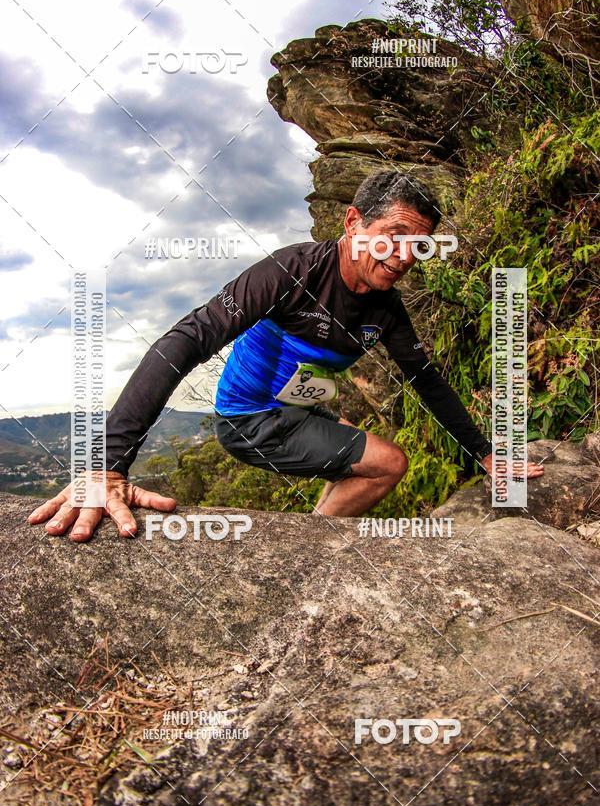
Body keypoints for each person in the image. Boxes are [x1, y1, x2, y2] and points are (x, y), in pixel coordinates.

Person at [28, 171, 543, 540]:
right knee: (390, 464)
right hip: (249, 419)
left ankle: (310, 538)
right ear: (353, 222)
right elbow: (184, 342)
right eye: (394, 237)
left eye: (421, 245)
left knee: (346, 431)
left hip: (301, 405)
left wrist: (486, 452)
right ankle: (311, 549)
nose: (406, 256)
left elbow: (426, 379)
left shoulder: (386, 309)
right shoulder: (290, 272)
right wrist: (107, 467)